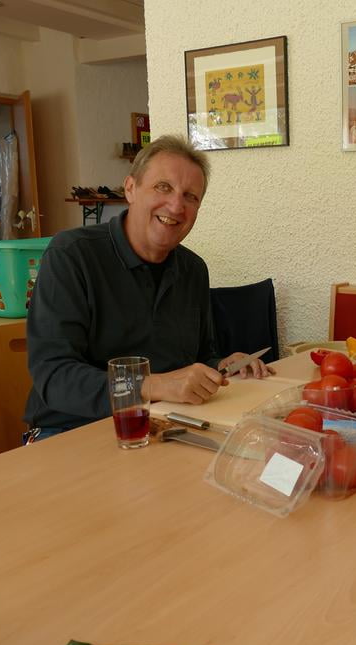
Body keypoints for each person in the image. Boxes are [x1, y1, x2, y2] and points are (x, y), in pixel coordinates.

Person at [24, 135, 272, 438]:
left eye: (190, 196)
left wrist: (221, 365)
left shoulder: (194, 269)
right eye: (163, 187)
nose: (176, 205)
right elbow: (55, 376)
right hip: (72, 430)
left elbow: (197, 356)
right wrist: (155, 385)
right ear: (130, 188)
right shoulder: (72, 255)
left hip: (162, 424)